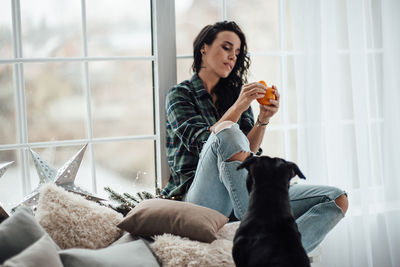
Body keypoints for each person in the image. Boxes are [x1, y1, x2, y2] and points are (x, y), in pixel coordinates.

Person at [161, 21, 348, 253]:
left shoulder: (235, 93)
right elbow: (203, 142)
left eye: (237, 53)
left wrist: (263, 118)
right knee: (227, 131)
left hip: (244, 189)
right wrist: (240, 104)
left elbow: (247, 151)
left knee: (336, 199)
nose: (232, 57)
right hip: (200, 197)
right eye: (226, 48)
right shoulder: (179, 95)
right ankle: (257, 216)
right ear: (204, 48)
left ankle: (277, 252)